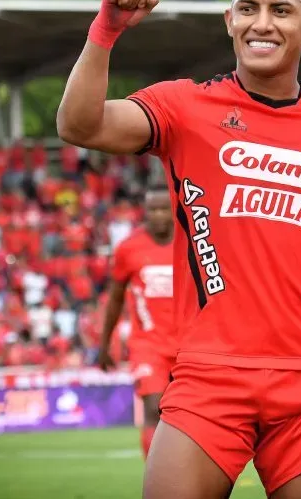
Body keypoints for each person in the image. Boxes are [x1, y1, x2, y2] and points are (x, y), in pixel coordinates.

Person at [57, 0, 301, 499]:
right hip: (209, 373)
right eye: (248, 8)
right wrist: (107, 29)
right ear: (228, 20)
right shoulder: (183, 107)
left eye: (281, 10)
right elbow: (78, 124)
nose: (262, 23)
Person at [97, 182, 175, 460]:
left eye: (164, 208)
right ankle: (158, 484)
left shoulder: (195, 242)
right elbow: (115, 299)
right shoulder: (129, 248)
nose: (158, 215)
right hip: (149, 346)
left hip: (189, 346)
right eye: (152, 209)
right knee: (154, 408)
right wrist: (104, 344)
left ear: (175, 207)